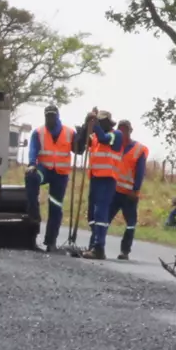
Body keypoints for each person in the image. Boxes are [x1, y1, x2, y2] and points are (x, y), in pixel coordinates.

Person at [92, 119, 148, 261]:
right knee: (105, 219)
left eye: (126, 129)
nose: (123, 132)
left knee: (130, 223)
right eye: (120, 129)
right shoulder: (115, 144)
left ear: (130, 131)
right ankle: (96, 246)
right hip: (114, 190)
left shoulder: (139, 149)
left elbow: (140, 172)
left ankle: (125, 251)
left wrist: (135, 190)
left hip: (129, 193)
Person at [25, 104, 74, 251]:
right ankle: (34, 212)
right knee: (31, 177)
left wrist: (86, 130)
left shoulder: (69, 132)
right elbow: (33, 149)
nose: (50, 119)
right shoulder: (38, 132)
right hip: (44, 169)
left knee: (55, 207)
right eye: (47, 116)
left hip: (60, 174)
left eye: (52, 116)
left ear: (57, 116)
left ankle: (50, 242)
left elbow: (79, 149)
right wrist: (32, 164)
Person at [77, 110, 121, 260]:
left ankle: (99, 247)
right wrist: (86, 124)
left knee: (100, 213)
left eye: (102, 121)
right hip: (95, 178)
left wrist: (94, 125)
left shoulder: (116, 135)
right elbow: (82, 144)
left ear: (109, 122)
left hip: (107, 179)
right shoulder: (95, 136)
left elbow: (103, 138)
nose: (100, 124)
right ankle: (94, 243)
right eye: (98, 121)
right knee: (91, 215)